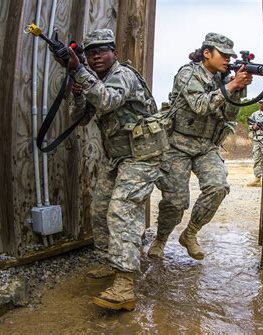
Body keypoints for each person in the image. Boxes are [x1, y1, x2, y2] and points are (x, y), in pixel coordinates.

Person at [60, 28, 167, 311]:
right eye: (90, 52)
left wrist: (80, 71)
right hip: (117, 157)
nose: (95, 56)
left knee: (121, 210)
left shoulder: (124, 76)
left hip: (142, 156)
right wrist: (79, 92)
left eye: (102, 50)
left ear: (114, 53)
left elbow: (107, 100)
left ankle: (124, 284)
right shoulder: (97, 80)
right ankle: (113, 262)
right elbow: (81, 120)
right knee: (99, 209)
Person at [148, 32, 252, 260]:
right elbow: (200, 106)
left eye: (230, 56)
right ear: (207, 53)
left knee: (218, 187)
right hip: (178, 144)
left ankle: (190, 233)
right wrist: (232, 84)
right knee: (175, 201)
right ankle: (160, 239)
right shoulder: (188, 74)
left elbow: (230, 114)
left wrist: (237, 89)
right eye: (222, 55)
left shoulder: (222, 79)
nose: (227, 60)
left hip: (206, 145)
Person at [247, 101, 263, 187]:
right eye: (260, 103)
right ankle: (257, 179)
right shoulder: (255, 114)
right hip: (257, 140)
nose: (261, 104)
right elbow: (249, 126)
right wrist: (253, 127)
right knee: (257, 158)